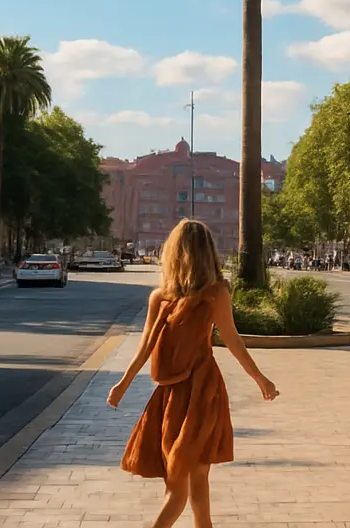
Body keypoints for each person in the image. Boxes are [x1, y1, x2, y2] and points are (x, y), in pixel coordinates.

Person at [109, 218, 279, 528]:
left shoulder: (215, 294)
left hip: (202, 393)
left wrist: (260, 378)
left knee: (185, 478)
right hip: (170, 396)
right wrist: (123, 383)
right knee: (191, 479)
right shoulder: (159, 297)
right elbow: (146, 345)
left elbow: (232, 339)